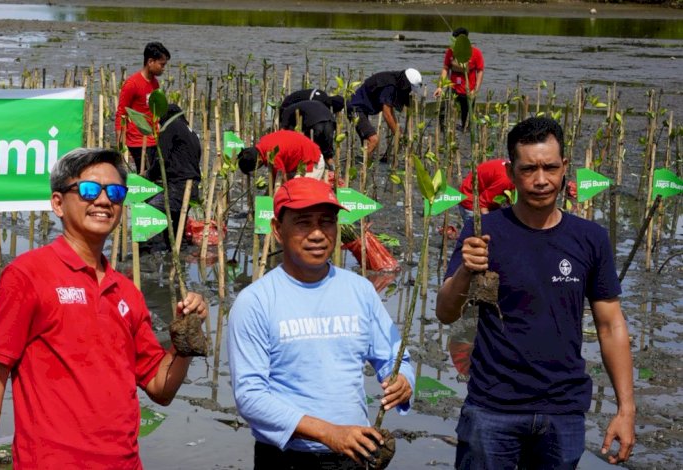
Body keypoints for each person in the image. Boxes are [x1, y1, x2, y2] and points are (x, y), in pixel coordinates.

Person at [0, 148, 209, 468]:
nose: (104, 200)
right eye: (89, 190)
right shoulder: (27, 276)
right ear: (58, 203)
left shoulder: (127, 293)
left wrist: (184, 339)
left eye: (115, 192)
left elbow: (160, 388)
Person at [435, 117, 635, 468]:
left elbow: (610, 325)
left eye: (550, 168)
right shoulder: (483, 231)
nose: (541, 180)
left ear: (564, 167)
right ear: (510, 173)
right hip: (492, 408)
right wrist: (466, 270)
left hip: (563, 411)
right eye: (528, 169)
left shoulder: (590, 238)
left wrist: (626, 409)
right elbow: (446, 312)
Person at [227, 177, 414, 468]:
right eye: (303, 223)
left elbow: (394, 355)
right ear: (277, 230)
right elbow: (250, 397)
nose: (317, 234)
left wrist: (402, 380)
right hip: (286, 457)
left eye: (326, 222)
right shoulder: (255, 302)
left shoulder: (360, 290)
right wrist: (328, 433)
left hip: (355, 451)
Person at [147, 103, 202, 250]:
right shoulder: (191, 132)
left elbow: (161, 158)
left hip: (178, 187)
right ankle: (179, 253)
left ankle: (149, 250)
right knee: (177, 226)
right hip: (192, 187)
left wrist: (149, 176)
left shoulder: (170, 127)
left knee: (149, 209)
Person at [115, 42, 169, 177]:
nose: (163, 69)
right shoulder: (132, 84)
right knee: (144, 179)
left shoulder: (155, 83)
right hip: (138, 143)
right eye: (161, 64)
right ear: (150, 62)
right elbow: (121, 114)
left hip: (153, 140)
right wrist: (121, 146)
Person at [347, 69, 421, 156]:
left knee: (367, 143)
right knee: (373, 140)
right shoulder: (390, 86)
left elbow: (390, 110)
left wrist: (397, 128)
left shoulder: (396, 80)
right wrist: (398, 135)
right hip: (355, 108)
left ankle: (365, 161)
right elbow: (387, 114)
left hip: (363, 109)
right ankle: (363, 164)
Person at [435, 28, 485, 131]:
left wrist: (475, 90)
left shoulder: (476, 52)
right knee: (443, 111)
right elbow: (445, 69)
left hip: (468, 90)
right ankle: (442, 131)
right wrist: (440, 87)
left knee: (466, 120)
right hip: (453, 88)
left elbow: (480, 71)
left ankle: (465, 132)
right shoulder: (450, 51)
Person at [237, 129, 326, 181]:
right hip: (301, 160)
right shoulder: (263, 142)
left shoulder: (273, 155)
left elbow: (281, 180)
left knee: (296, 193)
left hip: (313, 162)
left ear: (258, 161)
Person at [278, 95, 344, 162]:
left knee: (311, 151)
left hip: (315, 123)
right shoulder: (307, 104)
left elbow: (282, 132)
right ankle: (331, 166)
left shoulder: (286, 112)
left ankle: (312, 164)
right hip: (330, 122)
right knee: (328, 154)